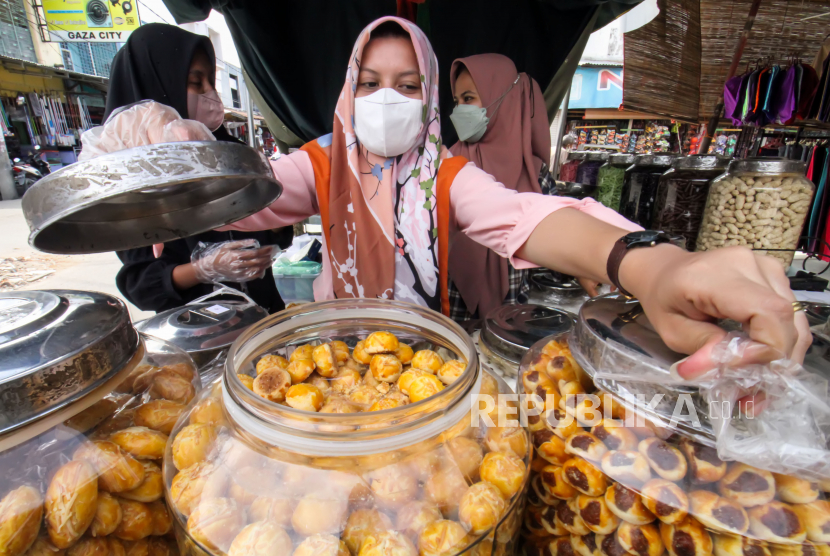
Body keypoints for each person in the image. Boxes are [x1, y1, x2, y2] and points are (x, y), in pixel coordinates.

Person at [89, 17, 810, 377]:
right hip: (335, 359)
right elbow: (241, 200)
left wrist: (650, 265)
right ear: (347, 88)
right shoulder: (320, 164)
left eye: (408, 86)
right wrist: (167, 157)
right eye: (369, 83)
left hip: (427, 360)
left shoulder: (445, 175)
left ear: (429, 98)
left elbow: (527, 218)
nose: (385, 101)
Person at [97, 24, 292, 314]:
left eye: (210, 82)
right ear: (159, 83)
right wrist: (204, 269)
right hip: (198, 339)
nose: (210, 94)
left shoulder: (231, 152)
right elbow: (141, 285)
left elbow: (274, 229)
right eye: (195, 82)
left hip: (263, 322)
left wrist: (276, 227)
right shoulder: (130, 177)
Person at [445, 53, 600, 320]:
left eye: (469, 99)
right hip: (449, 311)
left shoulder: (534, 173)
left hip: (510, 318)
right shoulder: (445, 164)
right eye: (457, 101)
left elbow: (559, 234)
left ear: (504, 98)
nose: (460, 110)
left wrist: (584, 266)